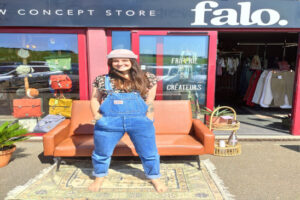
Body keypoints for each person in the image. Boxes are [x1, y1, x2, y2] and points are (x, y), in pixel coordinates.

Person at [88, 49, 167, 193]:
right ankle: (99, 176)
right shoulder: (102, 79)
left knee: (149, 152)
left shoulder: (147, 78)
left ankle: (154, 177)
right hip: (109, 121)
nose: (120, 64)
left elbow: (150, 100)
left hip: (140, 121)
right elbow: (94, 99)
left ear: (132, 62)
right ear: (111, 63)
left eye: (124, 60)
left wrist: (149, 118)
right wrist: (97, 116)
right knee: (101, 152)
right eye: (116, 61)